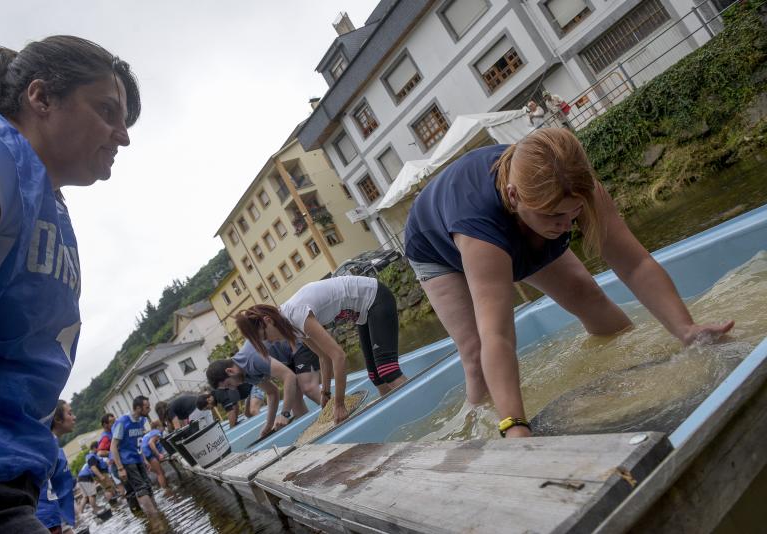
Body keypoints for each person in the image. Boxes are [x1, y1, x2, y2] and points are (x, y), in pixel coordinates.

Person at [403, 128, 734, 438]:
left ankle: (631, 368)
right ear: (514, 196)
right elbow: (499, 336)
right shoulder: (483, 234)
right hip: (437, 249)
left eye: (572, 214)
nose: (565, 226)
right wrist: (515, 424)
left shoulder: (575, 190)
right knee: (476, 353)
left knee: (586, 292)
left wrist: (685, 329)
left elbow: (635, 264)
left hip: (517, 217)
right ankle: (481, 432)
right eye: (554, 216)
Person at [0, 36, 140, 532]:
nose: (122, 136)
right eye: (107, 111)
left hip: (5, 478)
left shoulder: (48, 201)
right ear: (40, 98)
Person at [235, 276, 407, 424]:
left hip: (375, 298)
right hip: (363, 312)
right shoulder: (291, 325)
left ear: (268, 321)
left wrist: (339, 403)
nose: (270, 342)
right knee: (376, 376)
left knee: (387, 370)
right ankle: (401, 417)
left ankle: (420, 407)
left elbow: (338, 356)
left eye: (266, 337)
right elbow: (323, 357)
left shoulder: (296, 314)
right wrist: (326, 392)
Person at [206, 340, 310, 438]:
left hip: (297, 344)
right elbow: (271, 392)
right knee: (298, 410)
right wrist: (269, 425)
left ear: (230, 371)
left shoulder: (251, 359)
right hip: (289, 359)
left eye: (229, 384)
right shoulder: (245, 375)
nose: (232, 388)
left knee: (309, 389)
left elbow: (289, 376)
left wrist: (285, 413)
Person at [34, 400, 77, 534]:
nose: (74, 417)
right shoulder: (46, 447)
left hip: (54, 516)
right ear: (57, 419)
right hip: (47, 518)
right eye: (70, 413)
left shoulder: (53, 445)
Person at [110, 395, 157, 515]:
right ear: (138, 408)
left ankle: (157, 513)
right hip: (126, 461)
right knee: (141, 489)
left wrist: (144, 459)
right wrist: (120, 468)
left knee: (148, 486)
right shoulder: (122, 422)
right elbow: (113, 446)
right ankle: (155, 520)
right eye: (147, 407)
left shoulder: (142, 420)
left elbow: (139, 441)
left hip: (138, 458)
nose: (149, 410)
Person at [96, 413, 125, 497]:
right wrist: (113, 453)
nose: (115, 422)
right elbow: (100, 452)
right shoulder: (105, 437)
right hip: (116, 466)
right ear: (105, 425)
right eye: (112, 422)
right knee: (127, 487)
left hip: (119, 463)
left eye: (115, 420)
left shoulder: (113, 431)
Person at [75, 442, 106, 516]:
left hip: (80, 478)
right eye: (98, 447)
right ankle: (95, 508)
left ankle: (80, 512)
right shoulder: (92, 457)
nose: (99, 449)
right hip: (86, 477)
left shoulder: (88, 457)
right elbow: (93, 468)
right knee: (92, 495)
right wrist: (101, 476)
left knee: (85, 497)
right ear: (95, 448)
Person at [140, 421, 168, 489]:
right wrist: (159, 455)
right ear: (158, 427)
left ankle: (165, 487)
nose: (163, 428)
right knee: (160, 473)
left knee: (161, 472)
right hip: (148, 454)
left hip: (143, 455)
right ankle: (166, 490)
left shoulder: (149, 433)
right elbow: (150, 443)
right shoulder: (156, 432)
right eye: (162, 426)